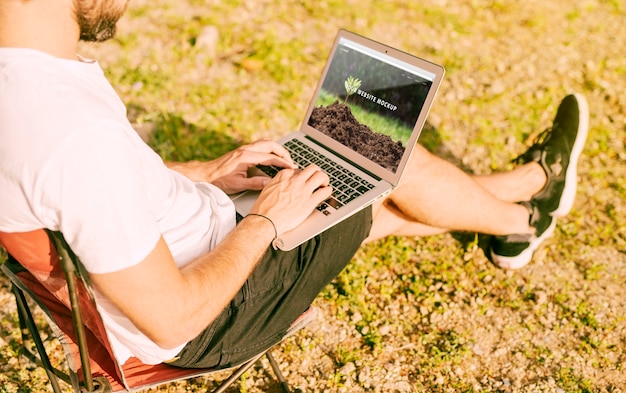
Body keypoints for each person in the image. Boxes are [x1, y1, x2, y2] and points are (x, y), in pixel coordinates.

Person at [0, 0, 588, 369]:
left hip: (176, 247)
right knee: (378, 160)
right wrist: (264, 220)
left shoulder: (28, 86)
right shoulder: (73, 135)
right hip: (211, 321)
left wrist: (208, 173)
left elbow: (89, 192)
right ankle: (528, 209)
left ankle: (515, 198)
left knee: (349, 183)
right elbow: (173, 318)